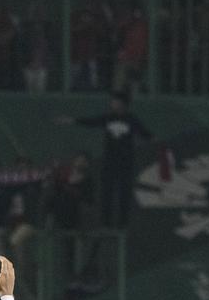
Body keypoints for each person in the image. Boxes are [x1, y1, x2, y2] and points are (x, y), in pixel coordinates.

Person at [54, 92, 152, 228]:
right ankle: (106, 222)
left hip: (125, 162)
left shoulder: (131, 119)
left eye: (115, 102)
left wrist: (155, 140)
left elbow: (144, 132)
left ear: (122, 104)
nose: (112, 104)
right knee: (107, 191)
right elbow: (92, 121)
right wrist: (72, 120)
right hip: (110, 161)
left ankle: (122, 222)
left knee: (124, 192)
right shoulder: (108, 118)